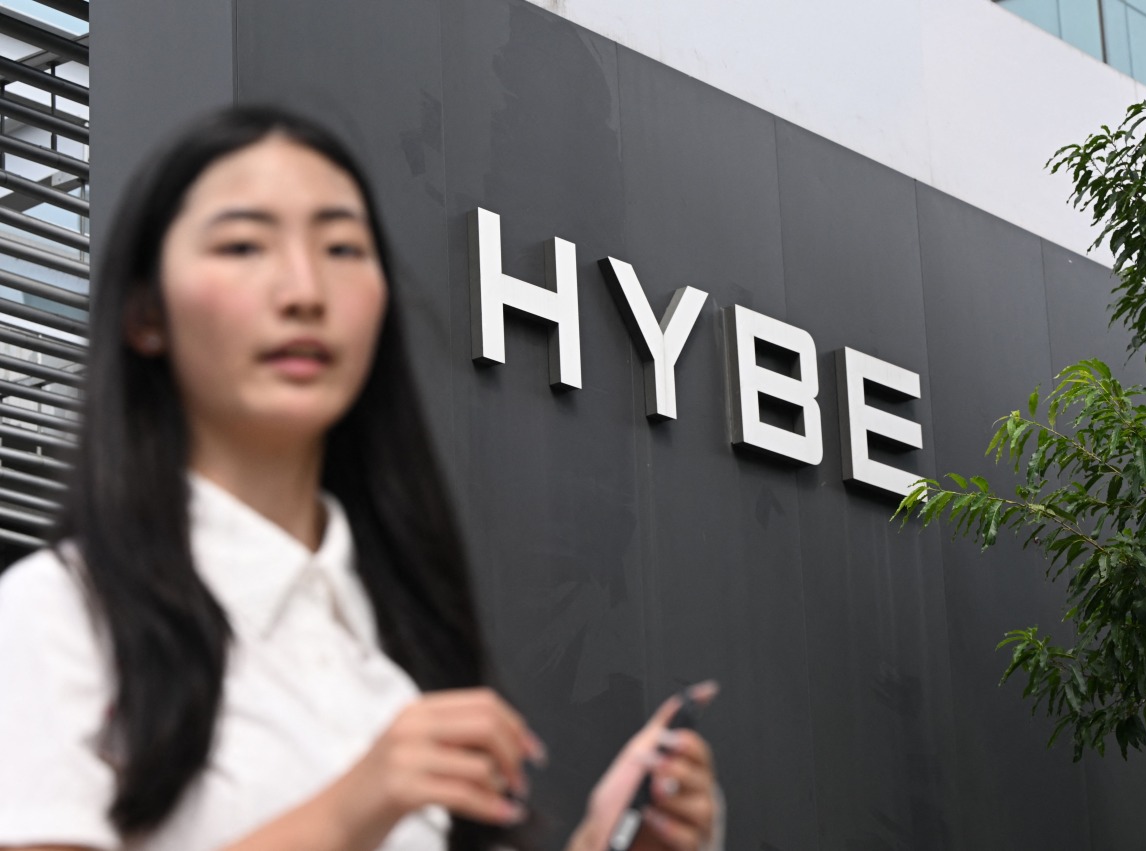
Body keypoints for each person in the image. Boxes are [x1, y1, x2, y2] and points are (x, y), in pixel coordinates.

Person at [0, 106, 721, 851]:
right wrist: (351, 809)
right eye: (244, 244)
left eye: (343, 246)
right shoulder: (58, 615)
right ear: (145, 313)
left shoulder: (391, 661)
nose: (305, 290)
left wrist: (609, 842)